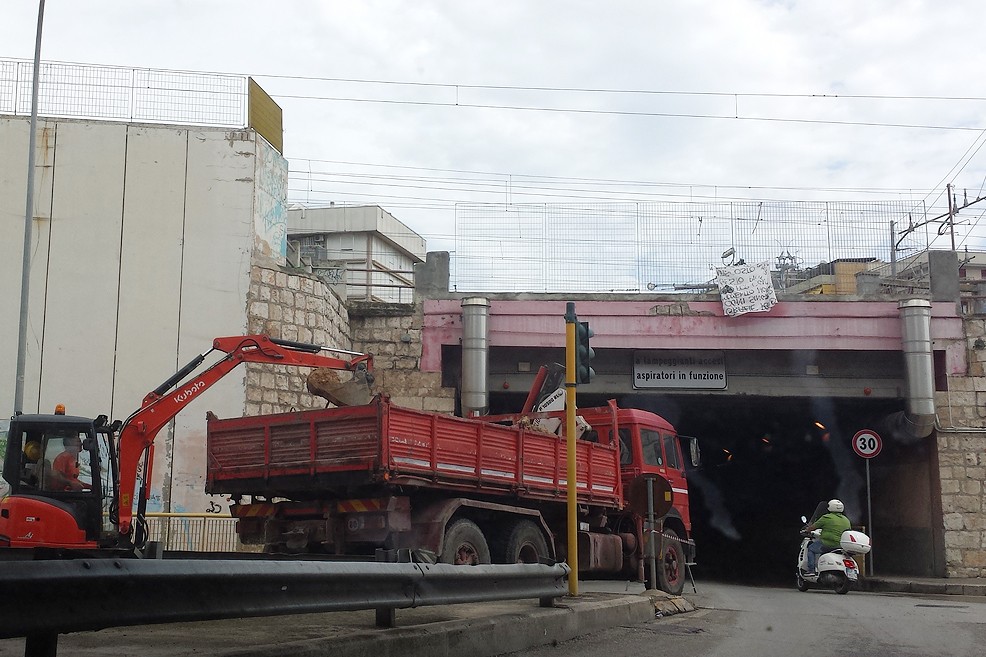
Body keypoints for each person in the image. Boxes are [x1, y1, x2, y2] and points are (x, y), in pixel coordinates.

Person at [804, 498, 850, 574]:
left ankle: (811, 570)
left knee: (811, 548)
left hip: (827, 543)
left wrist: (807, 530)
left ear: (830, 507)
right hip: (840, 545)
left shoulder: (826, 517)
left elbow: (813, 527)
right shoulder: (846, 520)